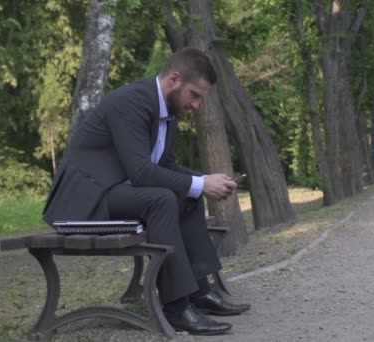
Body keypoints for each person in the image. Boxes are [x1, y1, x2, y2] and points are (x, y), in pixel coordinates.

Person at [42, 48, 250, 336]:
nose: (197, 105)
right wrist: (201, 184)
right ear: (175, 79)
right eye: (195, 94)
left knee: (186, 197)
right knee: (162, 199)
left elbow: (165, 165)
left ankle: (200, 291)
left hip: (116, 191)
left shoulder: (168, 110)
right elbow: (141, 172)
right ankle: (176, 308)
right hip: (85, 201)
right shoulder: (133, 102)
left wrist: (206, 179)